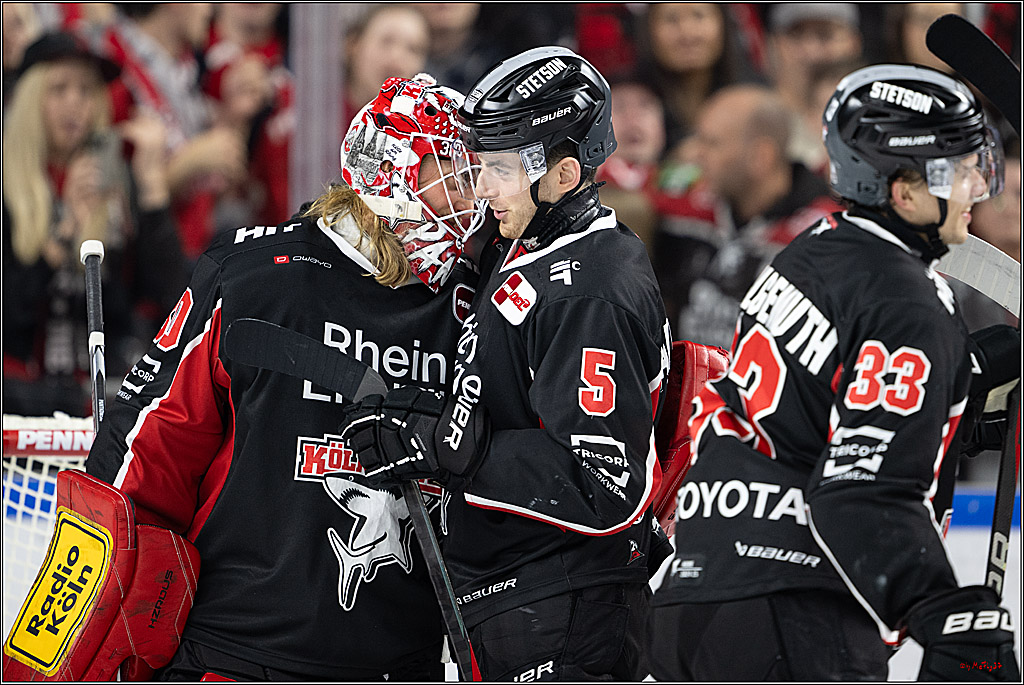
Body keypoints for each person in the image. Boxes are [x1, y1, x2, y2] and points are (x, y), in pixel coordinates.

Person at [84, 74, 486, 680]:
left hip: (398, 664)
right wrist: (114, 630)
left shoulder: (477, 304)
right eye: (450, 171)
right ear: (391, 173)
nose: (472, 192)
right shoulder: (254, 276)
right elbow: (146, 451)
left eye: (475, 172)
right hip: (234, 653)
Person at [649, 63, 1021, 681]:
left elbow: (821, 404)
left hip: (696, 596)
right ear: (903, 191)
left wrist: (955, 400)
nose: (977, 190)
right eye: (958, 172)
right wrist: (946, 614)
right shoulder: (909, 303)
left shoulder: (812, 252)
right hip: (793, 615)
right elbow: (859, 492)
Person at [340, 46, 672, 681]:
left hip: (567, 606)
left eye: (496, 168)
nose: (481, 187)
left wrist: (444, 448)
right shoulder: (531, 248)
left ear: (563, 175)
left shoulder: (591, 286)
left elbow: (604, 484)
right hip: (516, 600)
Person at [2, 31, 186, 418]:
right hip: (20, 400)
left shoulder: (113, 182)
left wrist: (152, 189)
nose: (75, 104)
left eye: (86, 90)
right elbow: (11, 316)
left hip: (99, 397)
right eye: (59, 89)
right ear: (30, 100)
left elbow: (169, 299)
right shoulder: (7, 185)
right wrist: (66, 229)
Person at [652, 84, 842, 349]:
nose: (696, 154)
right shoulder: (684, 209)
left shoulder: (828, 236)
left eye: (712, 143)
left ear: (760, 157)